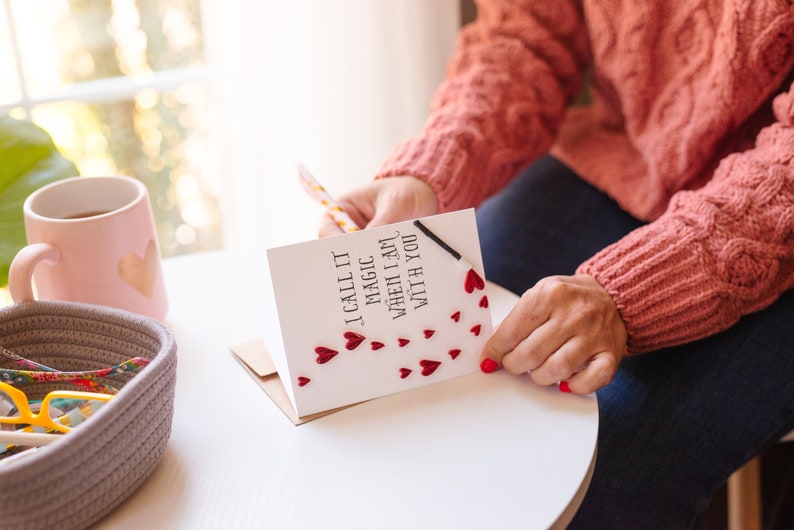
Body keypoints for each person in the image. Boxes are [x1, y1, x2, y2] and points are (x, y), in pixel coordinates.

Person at [319, 1, 794, 527]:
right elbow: (527, 33)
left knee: (593, 469)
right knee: (413, 383)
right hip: (624, 163)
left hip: (777, 226)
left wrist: (630, 293)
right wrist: (430, 172)